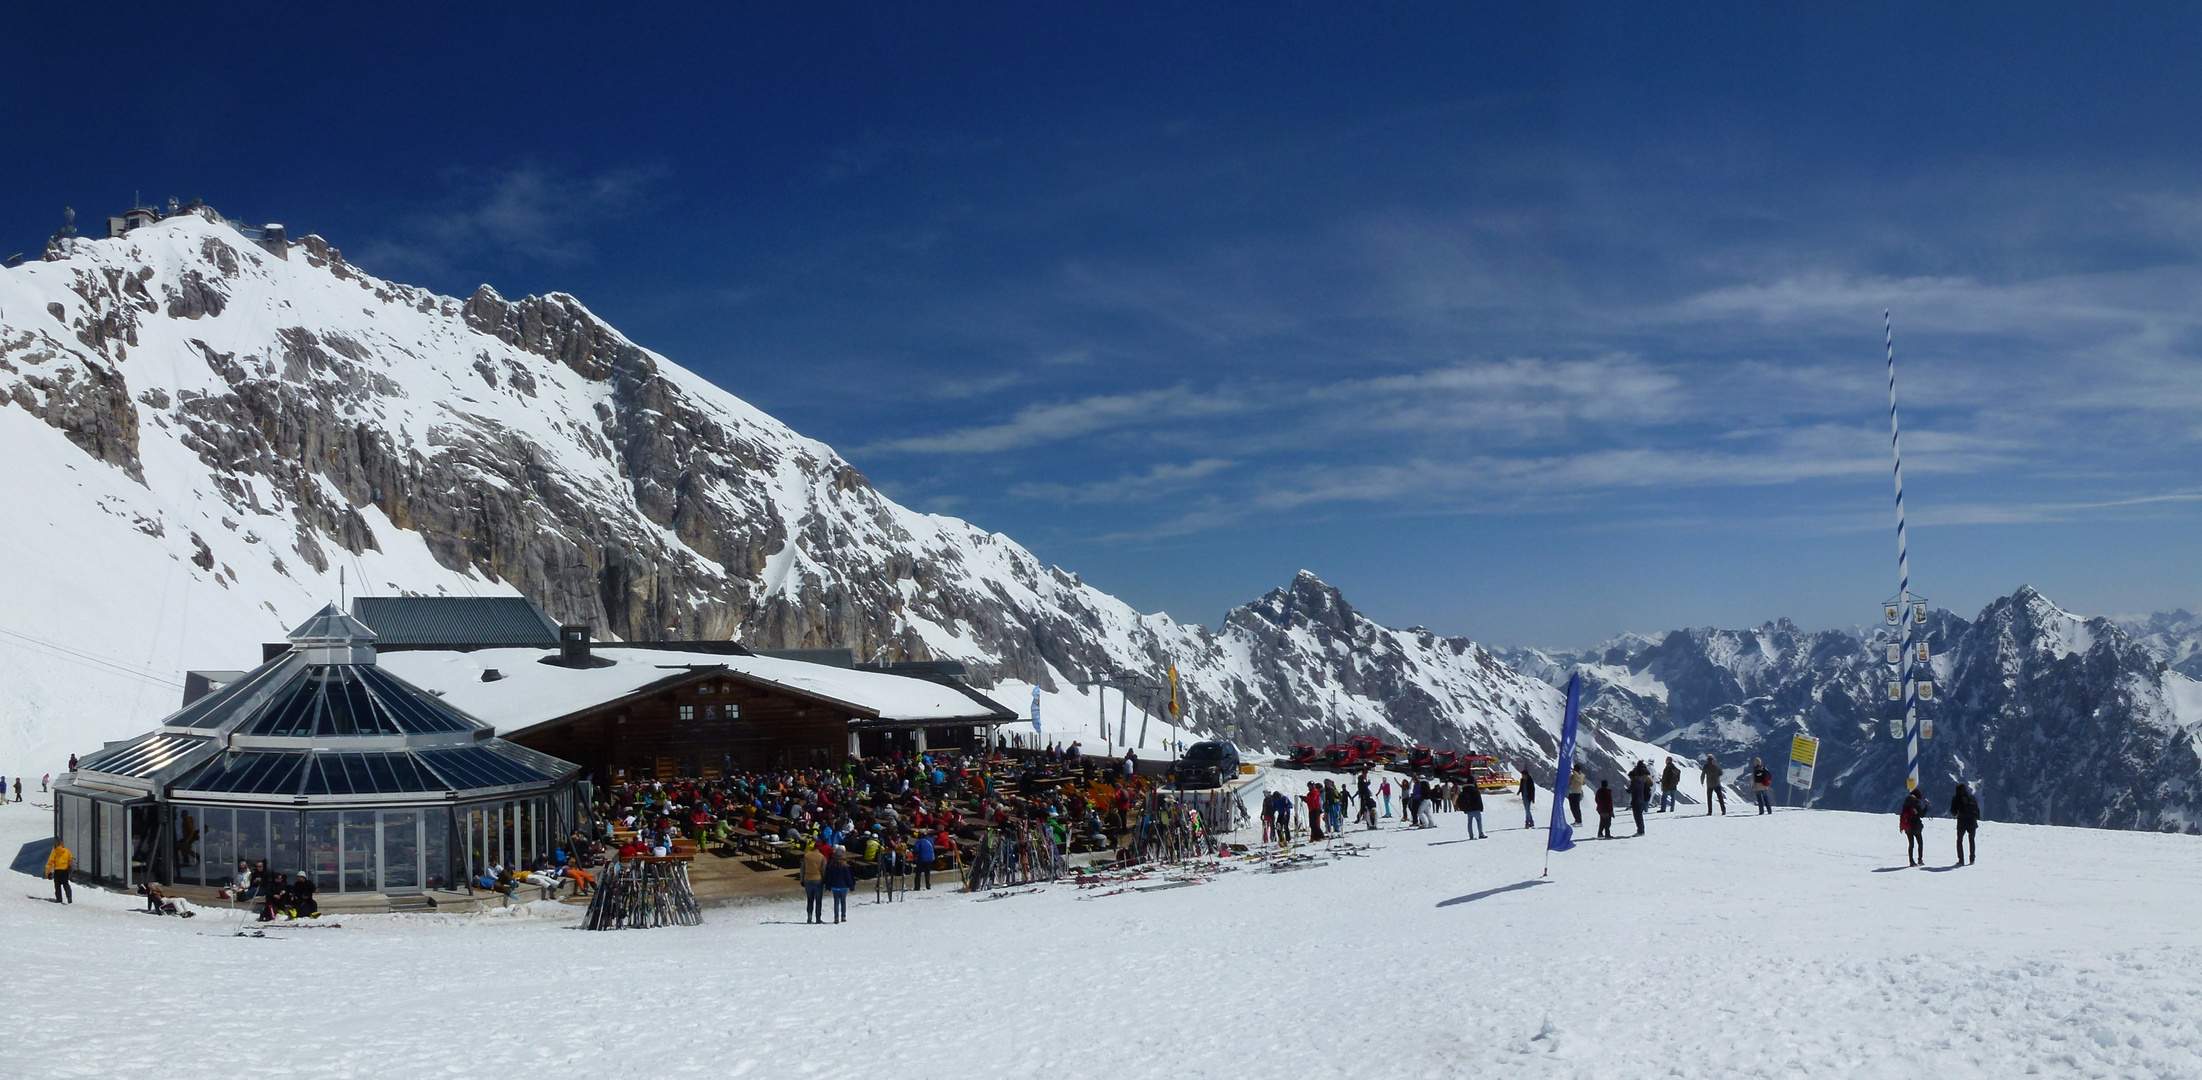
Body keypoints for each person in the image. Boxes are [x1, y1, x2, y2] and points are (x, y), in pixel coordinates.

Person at [1949, 782, 1980, 865]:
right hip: (1972, 822)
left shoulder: (1956, 798)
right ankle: (1972, 859)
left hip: (1962, 822)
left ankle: (1961, 860)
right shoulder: (1971, 798)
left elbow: (1953, 811)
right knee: (1971, 840)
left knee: (1959, 841)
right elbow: (1977, 810)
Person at [801, 841, 828, 924]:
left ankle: (809, 916)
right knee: (818, 900)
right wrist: (825, 880)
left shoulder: (806, 856)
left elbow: (802, 869)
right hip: (818, 879)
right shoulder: (822, 857)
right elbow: (823, 870)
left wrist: (802, 879)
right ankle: (818, 917)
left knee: (810, 899)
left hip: (808, 879)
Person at [1900, 789, 1928, 867]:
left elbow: (1902, 814)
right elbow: (1921, 814)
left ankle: (1911, 861)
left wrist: (1901, 826)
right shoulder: (1916, 802)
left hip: (1907, 826)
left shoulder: (1906, 802)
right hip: (1916, 826)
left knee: (1911, 844)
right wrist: (1926, 806)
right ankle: (1920, 859)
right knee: (1920, 843)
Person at [825, 849, 854, 923]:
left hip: (835, 886)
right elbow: (848, 877)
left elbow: (829, 877)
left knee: (836, 902)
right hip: (843, 886)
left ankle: (836, 917)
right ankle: (843, 916)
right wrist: (851, 887)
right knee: (843, 902)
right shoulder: (845, 867)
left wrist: (828, 886)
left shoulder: (831, 866)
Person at [1628, 762, 1653, 836]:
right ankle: (1641, 830)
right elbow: (1650, 783)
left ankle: (1640, 831)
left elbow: (1631, 790)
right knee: (1640, 815)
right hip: (1642, 797)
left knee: (1637, 816)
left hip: (1636, 800)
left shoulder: (1635, 780)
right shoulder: (1644, 777)